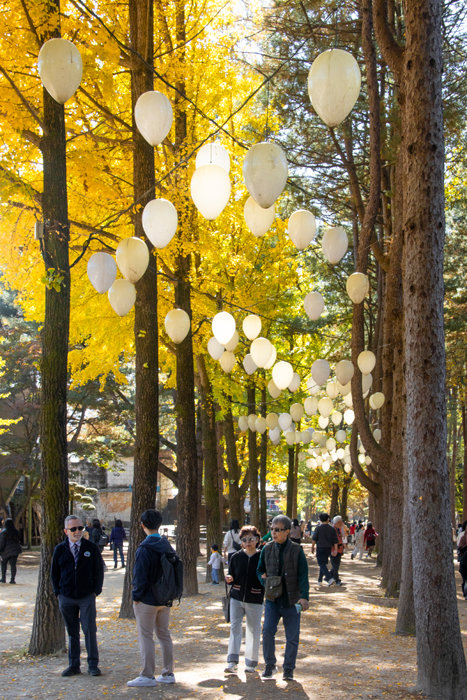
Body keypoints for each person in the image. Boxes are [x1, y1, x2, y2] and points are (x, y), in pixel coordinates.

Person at [127, 509, 177, 687]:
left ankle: (147, 675)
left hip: (147, 599)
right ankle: (168, 672)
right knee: (164, 635)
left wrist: (136, 597)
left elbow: (139, 576)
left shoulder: (144, 548)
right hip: (165, 598)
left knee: (146, 636)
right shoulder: (167, 545)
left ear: (142, 525)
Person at [257, 515, 309, 681]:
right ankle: (270, 665)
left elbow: (303, 575)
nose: (274, 532)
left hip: (291, 600)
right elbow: (259, 570)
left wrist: (304, 597)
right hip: (272, 599)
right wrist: (263, 580)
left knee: (292, 637)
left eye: (278, 530)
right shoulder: (266, 549)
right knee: (267, 632)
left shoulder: (297, 550)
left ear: (287, 531)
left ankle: (288, 669)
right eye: (272, 529)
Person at [51, 515, 104, 677]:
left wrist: (96, 591)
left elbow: (98, 571)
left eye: (80, 528)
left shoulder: (91, 548)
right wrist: (58, 593)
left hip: (86, 596)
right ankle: (74, 665)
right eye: (73, 529)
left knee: (89, 630)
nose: (77, 532)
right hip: (66, 597)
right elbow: (54, 573)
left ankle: (93, 664)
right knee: (72, 632)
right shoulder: (59, 549)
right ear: (66, 531)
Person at [224, 525, 264, 674]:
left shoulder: (262, 557)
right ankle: (232, 661)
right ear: (241, 541)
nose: (248, 542)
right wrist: (229, 578)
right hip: (236, 597)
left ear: (257, 540)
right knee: (235, 628)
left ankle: (251, 663)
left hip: (255, 598)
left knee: (253, 630)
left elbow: (264, 577)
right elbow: (231, 575)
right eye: (244, 539)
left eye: (251, 539)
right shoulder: (236, 557)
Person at [311, 512, 338, 586]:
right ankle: (319, 580)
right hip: (328, 548)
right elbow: (335, 540)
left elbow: (314, 538)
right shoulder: (331, 529)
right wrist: (335, 549)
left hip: (320, 548)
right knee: (323, 564)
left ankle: (329, 578)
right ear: (328, 519)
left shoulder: (318, 528)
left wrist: (312, 547)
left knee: (321, 564)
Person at [0, 518, 22, 584]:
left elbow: (2, 543)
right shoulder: (16, 531)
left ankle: (3, 578)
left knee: (3, 565)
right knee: (13, 565)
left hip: (5, 551)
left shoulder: (4, 532)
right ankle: (12, 579)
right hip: (15, 551)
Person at [330, 516, 345, 586]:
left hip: (339, 550)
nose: (342, 523)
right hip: (334, 550)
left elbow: (343, 537)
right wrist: (334, 550)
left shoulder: (338, 529)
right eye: (341, 521)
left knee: (336, 566)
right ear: (338, 522)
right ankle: (336, 580)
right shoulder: (332, 529)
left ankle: (329, 577)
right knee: (335, 566)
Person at [457, 526, 467, 600]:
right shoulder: (463, 536)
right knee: (465, 580)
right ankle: (465, 593)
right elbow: (459, 547)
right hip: (464, 564)